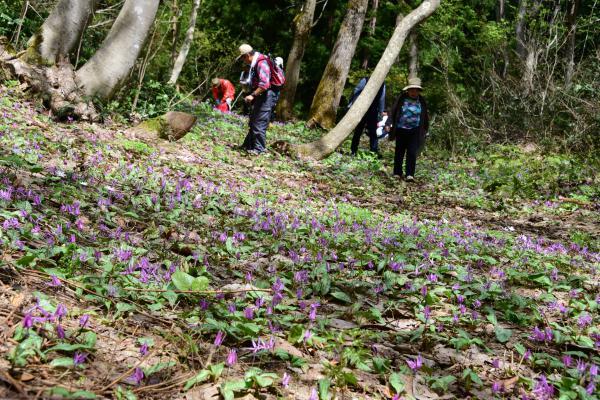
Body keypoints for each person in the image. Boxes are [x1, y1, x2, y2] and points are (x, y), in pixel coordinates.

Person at [385, 77, 429, 182]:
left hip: (415, 130)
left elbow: (425, 116)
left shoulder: (421, 101)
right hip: (401, 129)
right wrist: (388, 123)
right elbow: (393, 111)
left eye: (416, 90)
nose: (414, 92)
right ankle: (397, 172)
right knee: (399, 152)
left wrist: (426, 129)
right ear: (408, 90)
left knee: (412, 152)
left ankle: (410, 174)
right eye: (411, 90)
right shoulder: (401, 99)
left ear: (418, 91)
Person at [238, 44, 279, 154]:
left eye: (242, 58)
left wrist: (252, 95)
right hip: (262, 94)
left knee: (259, 122)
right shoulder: (255, 63)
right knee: (253, 120)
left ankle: (259, 149)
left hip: (268, 94)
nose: (243, 61)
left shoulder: (261, 63)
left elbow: (264, 84)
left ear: (247, 55)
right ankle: (248, 145)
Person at [349, 77, 386, 157]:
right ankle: (353, 150)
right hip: (361, 110)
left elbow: (381, 99)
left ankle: (373, 151)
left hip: (373, 111)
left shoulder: (382, 84)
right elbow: (356, 91)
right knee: (358, 131)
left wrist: (380, 111)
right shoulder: (365, 80)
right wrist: (352, 105)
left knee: (373, 132)